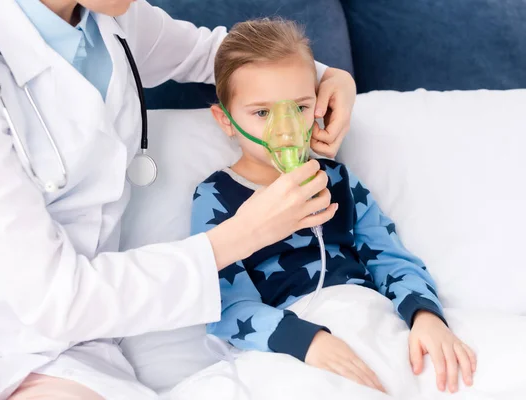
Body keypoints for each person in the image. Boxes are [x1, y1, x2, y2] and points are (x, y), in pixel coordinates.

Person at [0, 0, 357, 399]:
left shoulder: (110, 17)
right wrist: (243, 234)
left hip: (73, 346)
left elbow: (222, 56)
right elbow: (54, 299)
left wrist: (327, 75)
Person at [191, 18, 477, 395]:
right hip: (288, 338)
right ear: (226, 121)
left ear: (318, 106)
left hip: (367, 317)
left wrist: (425, 316)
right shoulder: (216, 197)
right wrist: (306, 341)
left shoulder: (338, 181)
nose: (286, 130)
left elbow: (390, 258)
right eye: (262, 114)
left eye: (299, 108)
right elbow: (226, 305)